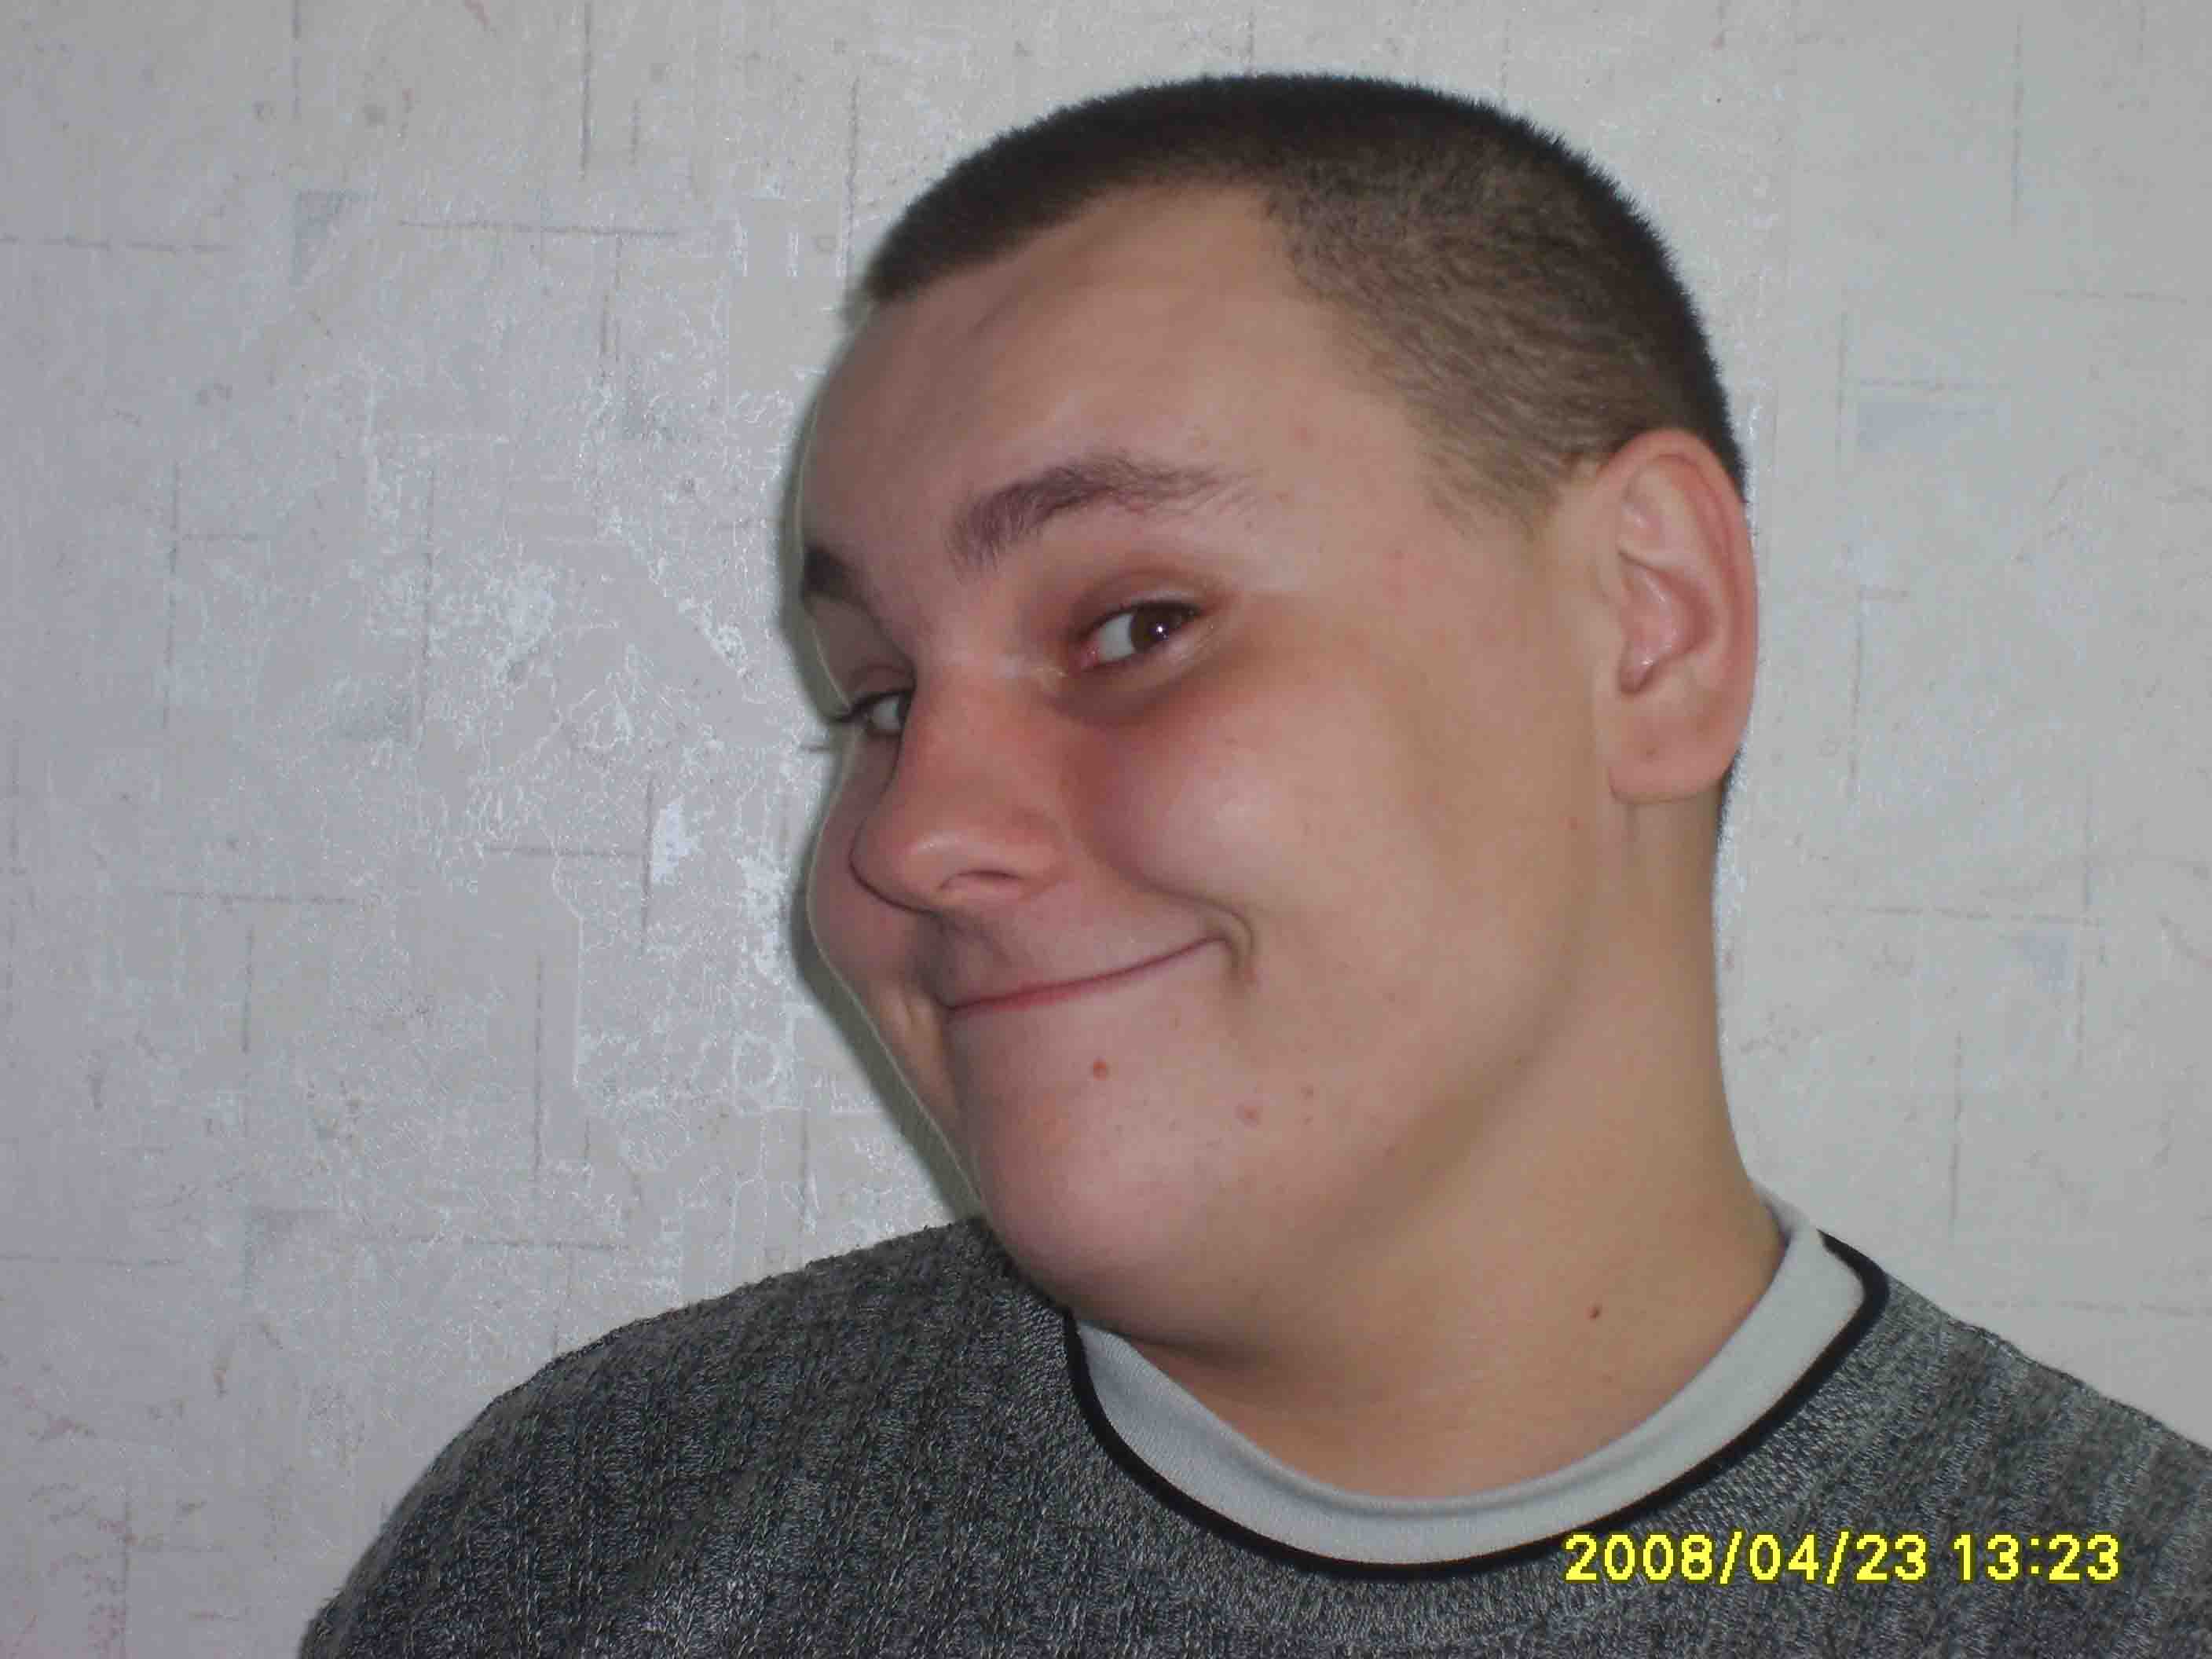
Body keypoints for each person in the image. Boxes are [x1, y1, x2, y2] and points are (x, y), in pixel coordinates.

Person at [302, 74, 2211, 1656]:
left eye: (1134, 626)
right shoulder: (598, 1535)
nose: (907, 837)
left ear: (1648, 627)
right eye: (878, 699)